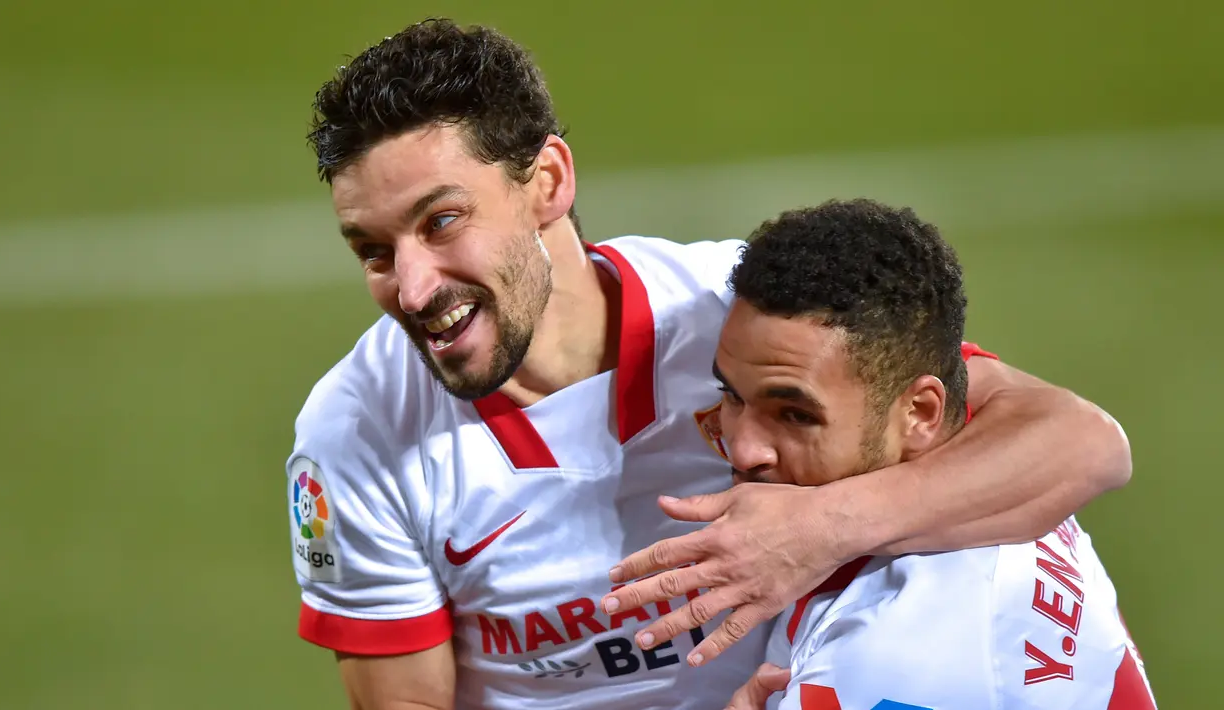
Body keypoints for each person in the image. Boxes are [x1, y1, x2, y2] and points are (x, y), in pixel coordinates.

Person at [286, 18, 1132, 709]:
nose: (410, 285)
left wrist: (817, 532)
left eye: (440, 222)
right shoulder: (357, 433)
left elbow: (1076, 442)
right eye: (371, 249)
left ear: (546, 181)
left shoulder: (741, 316)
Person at [712, 199, 1155, 709]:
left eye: (795, 416)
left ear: (921, 412)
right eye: (730, 395)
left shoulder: (891, 659)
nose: (743, 448)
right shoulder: (989, 486)